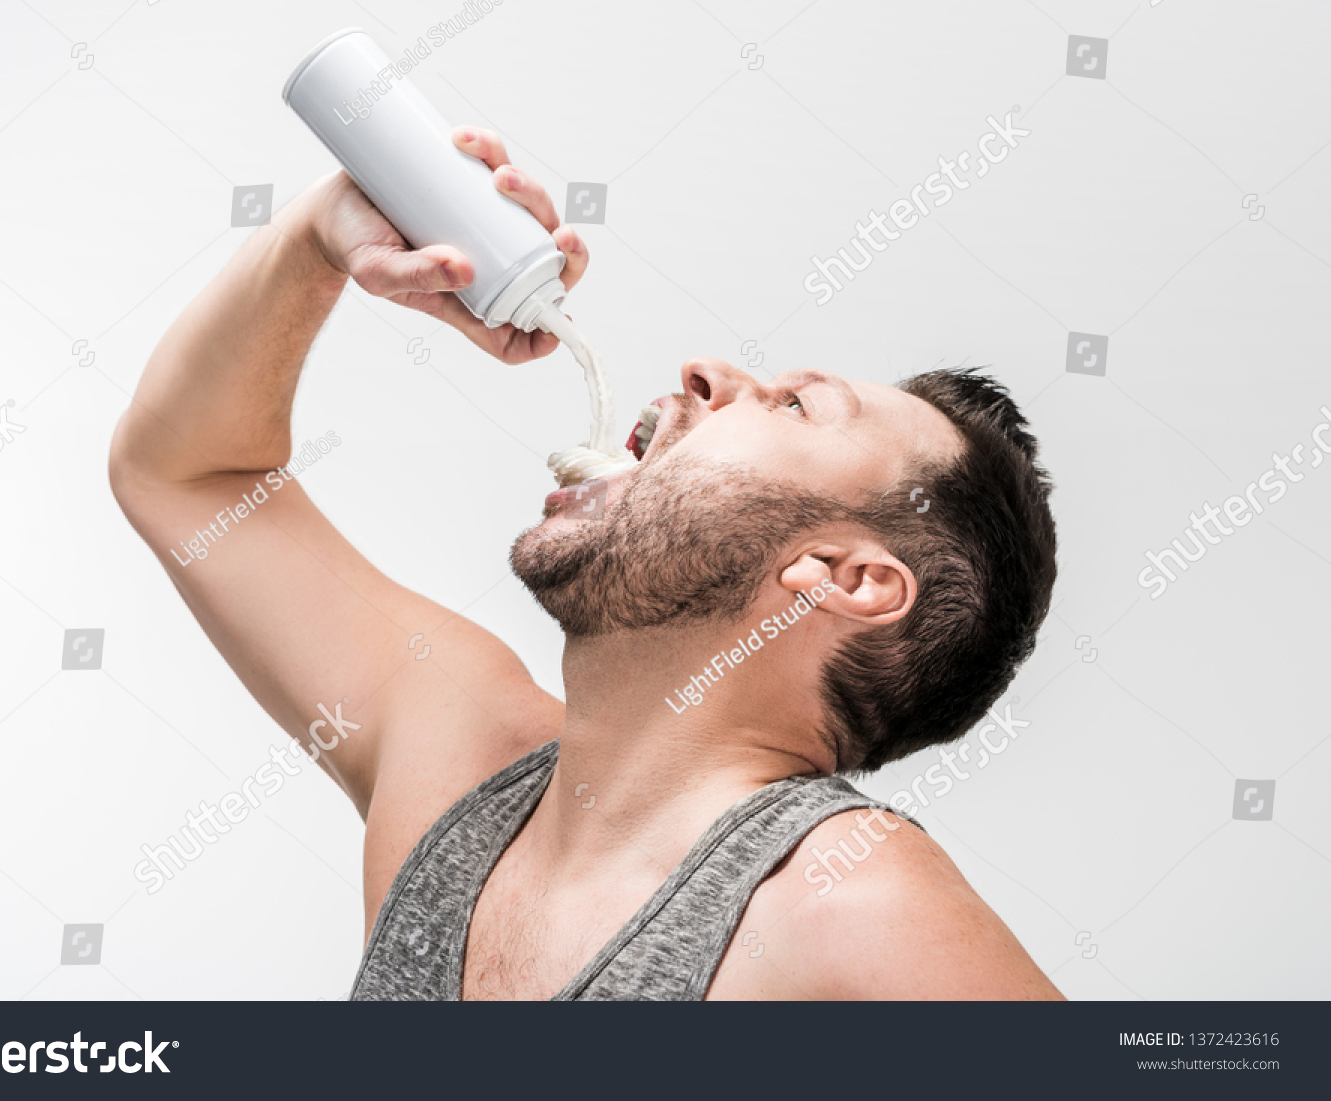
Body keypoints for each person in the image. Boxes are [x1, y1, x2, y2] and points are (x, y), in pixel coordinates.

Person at [109, 126, 1062, 1000]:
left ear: (845, 577)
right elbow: (187, 473)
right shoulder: (455, 750)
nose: (707, 374)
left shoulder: (849, 895)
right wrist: (322, 238)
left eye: (794, 407)